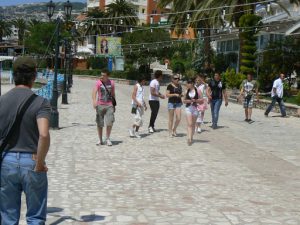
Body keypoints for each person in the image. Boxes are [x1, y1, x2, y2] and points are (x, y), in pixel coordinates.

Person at [0, 57, 51, 224]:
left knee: (8, 215)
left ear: (14, 76)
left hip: (6, 161)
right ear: (34, 77)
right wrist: (40, 163)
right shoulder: (40, 102)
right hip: (31, 160)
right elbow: (43, 134)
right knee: (35, 216)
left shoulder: (2, 101)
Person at [92, 69, 116, 146]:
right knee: (100, 123)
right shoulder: (98, 82)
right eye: (101, 74)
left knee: (109, 122)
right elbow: (94, 92)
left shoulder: (111, 83)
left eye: (104, 75)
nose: (102, 76)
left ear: (107, 76)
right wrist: (94, 101)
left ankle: (108, 138)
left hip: (109, 105)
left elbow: (113, 94)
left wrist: (114, 105)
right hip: (100, 105)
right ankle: (100, 139)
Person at [183, 78, 203, 146]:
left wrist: (196, 100)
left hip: (195, 109)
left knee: (193, 124)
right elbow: (184, 101)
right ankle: (189, 138)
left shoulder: (198, 91)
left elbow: (202, 100)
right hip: (188, 108)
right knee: (190, 124)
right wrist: (189, 101)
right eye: (187, 83)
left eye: (189, 83)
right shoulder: (186, 91)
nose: (188, 85)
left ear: (192, 84)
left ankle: (191, 137)